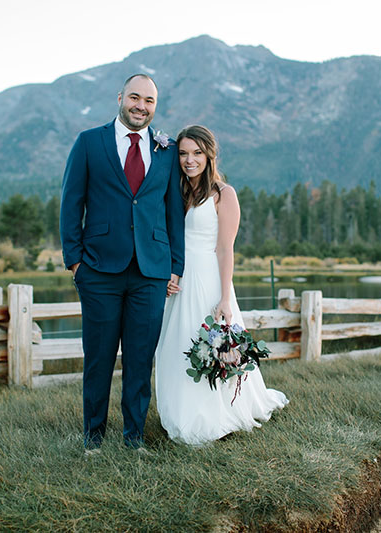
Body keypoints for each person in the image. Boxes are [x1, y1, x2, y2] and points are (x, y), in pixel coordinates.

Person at [60, 74, 185, 454]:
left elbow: (172, 212)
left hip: (151, 272)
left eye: (149, 100)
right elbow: (70, 204)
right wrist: (75, 262)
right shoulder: (89, 142)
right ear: (120, 98)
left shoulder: (167, 150)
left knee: (139, 359)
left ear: (154, 106)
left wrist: (175, 265)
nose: (141, 106)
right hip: (98, 270)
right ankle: (93, 439)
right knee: (98, 358)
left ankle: (134, 438)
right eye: (135, 97)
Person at [154, 125, 287, 446]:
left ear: (209, 154)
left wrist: (225, 298)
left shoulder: (223, 194)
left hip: (210, 279)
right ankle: (180, 411)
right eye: (184, 153)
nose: (189, 160)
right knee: (175, 346)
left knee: (213, 344)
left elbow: (225, 248)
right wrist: (169, 271)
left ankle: (217, 411)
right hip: (179, 281)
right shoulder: (176, 190)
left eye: (197, 153)